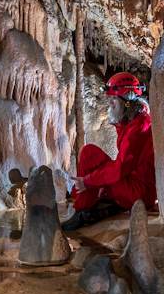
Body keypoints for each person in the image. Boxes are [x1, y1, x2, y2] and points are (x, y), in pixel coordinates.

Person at [63, 72, 156, 231]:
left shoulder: (139, 126)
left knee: (95, 175)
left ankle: (82, 211)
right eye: (110, 98)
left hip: (139, 192)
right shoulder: (131, 120)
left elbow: (120, 168)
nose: (110, 103)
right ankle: (87, 201)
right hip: (133, 183)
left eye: (114, 99)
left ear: (127, 102)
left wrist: (87, 181)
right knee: (89, 153)